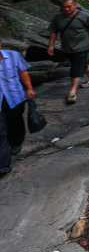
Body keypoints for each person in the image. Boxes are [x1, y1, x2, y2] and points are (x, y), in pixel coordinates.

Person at [47, 0, 89, 104]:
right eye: (64, 7)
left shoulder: (84, 15)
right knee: (78, 62)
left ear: (75, 5)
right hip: (67, 46)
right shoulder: (58, 17)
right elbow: (53, 31)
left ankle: (72, 92)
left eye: (69, 6)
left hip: (82, 45)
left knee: (76, 67)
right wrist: (51, 45)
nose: (66, 9)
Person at [0, 44, 34, 176]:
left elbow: (22, 72)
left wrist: (29, 88)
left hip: (15, 96)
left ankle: (16, 142)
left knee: (15, 121)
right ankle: (3, 166)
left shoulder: (13, 55)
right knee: (0, 132)